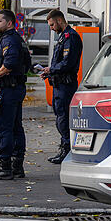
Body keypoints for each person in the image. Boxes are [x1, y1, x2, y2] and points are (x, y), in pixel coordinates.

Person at [0, 9, 31, 180]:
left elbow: (10, 62)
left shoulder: (9, 40)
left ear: (9, 23)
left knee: (4, 127)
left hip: (9, 89)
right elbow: (26, 63)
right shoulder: (16, 39)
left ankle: (5, 167)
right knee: (15, 127)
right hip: (15, 88)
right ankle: (17, 167)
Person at [41, 9, 82, 164]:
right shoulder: (62, 38)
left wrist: (52, 69)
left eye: (52, 24)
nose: (51, 28)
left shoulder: (71, 38)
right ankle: (65, 149)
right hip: (59, 84)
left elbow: (68, 63)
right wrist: (49, 73)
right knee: (60, 118)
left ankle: (67, 151)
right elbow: (60, 64)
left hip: (66, 85)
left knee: (64, 119)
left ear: (59, 20)